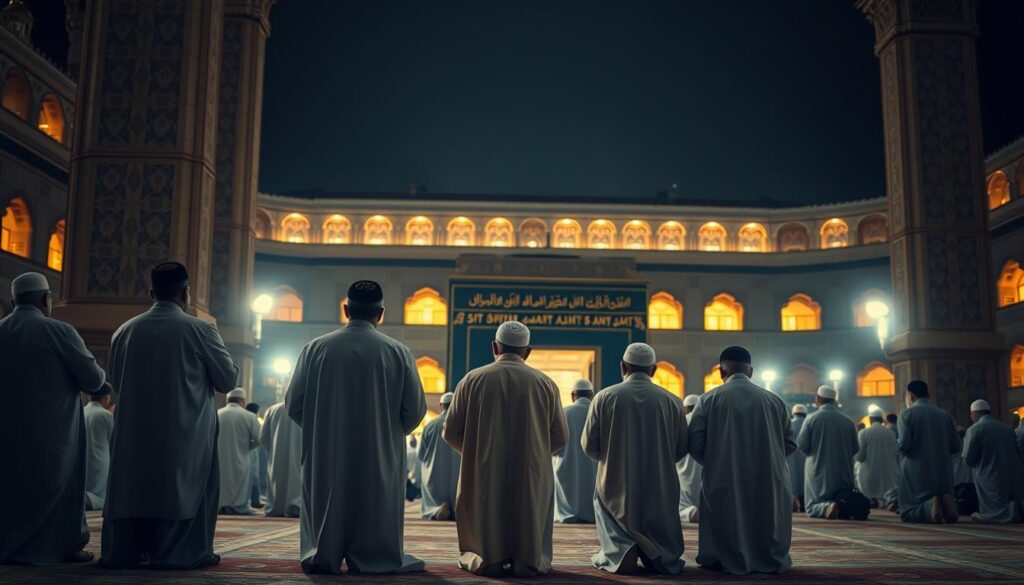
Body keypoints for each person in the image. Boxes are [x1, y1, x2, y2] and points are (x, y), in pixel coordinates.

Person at [101, 262, 239, 569]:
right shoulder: (200, 329)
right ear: (186, 292)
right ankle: (181, 551)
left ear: (152, 293)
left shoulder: (125, 330)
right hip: (184, 431)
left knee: (136, 485)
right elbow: (227, 380)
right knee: (181, 487)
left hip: (135, 430)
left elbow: (116, 380)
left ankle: (132, 550)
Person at [286, 280, 426, 574]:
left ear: (346, 310)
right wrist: (386, 433)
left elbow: (294, 404)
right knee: (375, 504)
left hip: (327, 451)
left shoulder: (315, 349)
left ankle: (323, 555)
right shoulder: (398, 352)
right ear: (381, 313)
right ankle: (374, 557)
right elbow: (414, 411)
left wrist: (323, 429)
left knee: (327, 501)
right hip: (378, 453)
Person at [443, 320, 568, 577]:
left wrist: (476, 453)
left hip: (483, 469)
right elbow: (560, 436)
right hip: (530, 470)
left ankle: (488, 559)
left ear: (494, 347)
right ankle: (526, 560)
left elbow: (450, 432)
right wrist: (535, 453)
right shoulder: (545, 383)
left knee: (487, 511)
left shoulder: (472, 379)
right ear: (528, 351)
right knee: (526, 510)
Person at [0, 272, 106, 566]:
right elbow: (94, 379)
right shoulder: (58, 331)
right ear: (46, 300)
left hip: (7, 434)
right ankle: (65, 546)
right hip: (54, 435)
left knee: (10, 490)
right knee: (57, 491)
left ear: (13, 302)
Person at [688, 346, 795, 575]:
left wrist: (718, 462)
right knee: (765, 514)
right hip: (768, 475)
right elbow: (790, 442)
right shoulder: (775, 401)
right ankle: (767, 559)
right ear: (751, 371)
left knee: (727, 516)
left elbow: (695, 444)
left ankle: (721, 558)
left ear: (721, 371)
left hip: (723, 475)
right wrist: (767, 459)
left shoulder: (708, 400)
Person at [583, 343, 687, 575]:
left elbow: (589, 445)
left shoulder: (605, 397)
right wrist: (660, 461)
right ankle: (658, 554)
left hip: (615, 482)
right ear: (654, 370)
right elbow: (681, 448)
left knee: (606, 499)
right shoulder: (672, 400)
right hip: (659, 483)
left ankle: (621, 551)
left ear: (623, 367)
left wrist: (611, 460)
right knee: (659, 513)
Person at [897, 380, 961, 524]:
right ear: (928, 395)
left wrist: (897, 446)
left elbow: (904, 446)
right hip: (943, 472)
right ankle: (946, 503)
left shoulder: (907, 414)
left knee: (908, 511)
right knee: (942, 494)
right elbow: (956, 446)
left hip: (916, 471)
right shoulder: (945, 415)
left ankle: (930, 505)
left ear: (910, 396)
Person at [797, 385, 859, 519]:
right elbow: (855, 448)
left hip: (817, 469)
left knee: (812, 506)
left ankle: (826, 507)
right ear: (834, 400)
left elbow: (802, 445)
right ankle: (839, 505)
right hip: (842, 472)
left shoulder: (811, 418)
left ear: (818, 399)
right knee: (843, 498)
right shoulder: (848, 421)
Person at [963, 400, 1024, 523]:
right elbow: (1017, 454)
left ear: (974, 414)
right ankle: (1013, 507)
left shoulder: (974, 429)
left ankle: (1004, 513)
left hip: (987, 474)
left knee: (992, 506)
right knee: (1004, 496)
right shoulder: (1007, 429)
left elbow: (968, 458)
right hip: (1010, 475)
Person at [553, 379, 598, 524]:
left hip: (567, 467)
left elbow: (553, 446)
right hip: (594, 468)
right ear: (592, 395)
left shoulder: (564, 413)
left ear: (573, 395)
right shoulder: (598, 413)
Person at [418, 392, 461, 520]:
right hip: (457, 477)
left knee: (432, 495)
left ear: (441, 406)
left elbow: (420, 454)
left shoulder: (430, 425)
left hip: (434, 477)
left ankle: (437, 509)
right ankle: (456, 510)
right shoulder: (463, 425)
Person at [218, 389, 260, 515]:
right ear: (242, 401)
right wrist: (248, 448)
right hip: (241, 456)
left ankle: (221, 505)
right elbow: (258, 439)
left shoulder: (217, 414)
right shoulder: (249, 416)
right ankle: (239, 507)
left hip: (220, 457)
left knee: (222, 481)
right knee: (240, 483)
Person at [259, 397, 302, 518]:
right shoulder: (306, 408)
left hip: (277, 455)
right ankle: (296, 506)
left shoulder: (273, 410)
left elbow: (263, 437)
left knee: (278, 480)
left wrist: (273, 448)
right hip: (300, 452)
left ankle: (276, 507)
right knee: (297, 478)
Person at [855, 406, 899, 511]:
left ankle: (872, 501)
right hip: (888, 478)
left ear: (870, 419)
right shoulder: (891, 433)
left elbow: (860, 457)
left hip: (869, 479)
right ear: (882, 420)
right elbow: (896, 454)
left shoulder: (863, 433)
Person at [84, 385, 116, 511]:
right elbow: (115, 444)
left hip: (83, 462)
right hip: (99, 462)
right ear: (106, 397)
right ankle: (92, 500)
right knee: (101, 497)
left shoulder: (82, 412)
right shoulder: (106, 416)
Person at [677, 394, 703, 523]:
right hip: (702, 468)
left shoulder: (682, 421)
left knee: (681, 501)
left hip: (683, 469)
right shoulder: (705, 420)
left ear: (686, 408)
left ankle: (689, 512)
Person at [245, 402, 268, 510]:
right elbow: (259, 438)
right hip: (252, 450)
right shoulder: (253, 418)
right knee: (254, 476)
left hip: (246, 451)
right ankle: (254, 500)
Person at [788, 404, 808, 512]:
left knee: (792, 481)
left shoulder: (789, 423)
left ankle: (793, 503)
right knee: (805, 481)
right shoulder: (808, 422)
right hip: (807, 457)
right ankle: (804, 503)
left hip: (791, 458)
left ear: (793, 413)